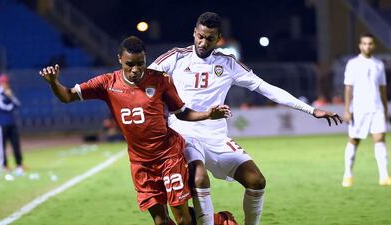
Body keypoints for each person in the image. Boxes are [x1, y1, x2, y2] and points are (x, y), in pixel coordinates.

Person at [149, 12, 342, 225]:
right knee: (199, 178)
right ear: (194, 32)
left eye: (210, 38)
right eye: (200, 36)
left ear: (219, 38)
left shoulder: (229, 64)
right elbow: (144, 81)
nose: (203, 43)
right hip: (183, 131)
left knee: (256, 181)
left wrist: (311, 110)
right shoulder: (176, 57)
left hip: (216, 135)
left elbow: (265, 88)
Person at [39, 36, 232, 225]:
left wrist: (207, 114)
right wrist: (54, 83)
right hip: (141, 164)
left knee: (182, 219)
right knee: (160, 220)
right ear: (120, 59)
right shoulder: (107, 83)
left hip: (168, 157)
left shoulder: (160, 80)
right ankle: (220, 220)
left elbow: (181, 113)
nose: (135, 70)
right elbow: (67, 96)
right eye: (130, 64)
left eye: (141, 63)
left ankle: (220, 220)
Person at [342, 33, 391, 187]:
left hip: (376, 107)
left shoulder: (379, 64)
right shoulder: (353, 63)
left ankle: (384, 176)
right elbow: (348, 88)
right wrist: (347, 110)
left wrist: (385, 107)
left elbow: (382, 88)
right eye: (364, 43)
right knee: (354, 140)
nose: (367, 46)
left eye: (370, 43)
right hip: (358, 108)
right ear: (360, 45)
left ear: (374, 45)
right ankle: (348, 174)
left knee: (380, 139)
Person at [0, 73, 23, 176]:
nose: (7, 84)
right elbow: (4, 107)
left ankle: (19, 164)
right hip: (2, 124)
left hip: (11, 123)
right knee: (2, 146)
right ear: (0, 83)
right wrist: (11, 104)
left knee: (16, 144)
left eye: (7, 82)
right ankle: (3, 165)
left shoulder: (8, 93)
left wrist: (12, 97)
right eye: (5, 82)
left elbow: (18, 104)